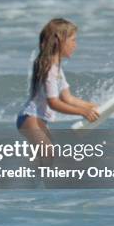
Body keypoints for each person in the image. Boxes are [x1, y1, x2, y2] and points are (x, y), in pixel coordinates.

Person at [16, 18, 99, 148]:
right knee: (48, 154)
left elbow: (68, 98)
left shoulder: (57, 69)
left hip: (39, 120)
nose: (75, 45)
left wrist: (93, 107)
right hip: (31, 118)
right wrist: (83, 112)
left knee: (47, 159)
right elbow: (53, 103)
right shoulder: (48, 68)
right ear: (60, 41)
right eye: (73, 40)